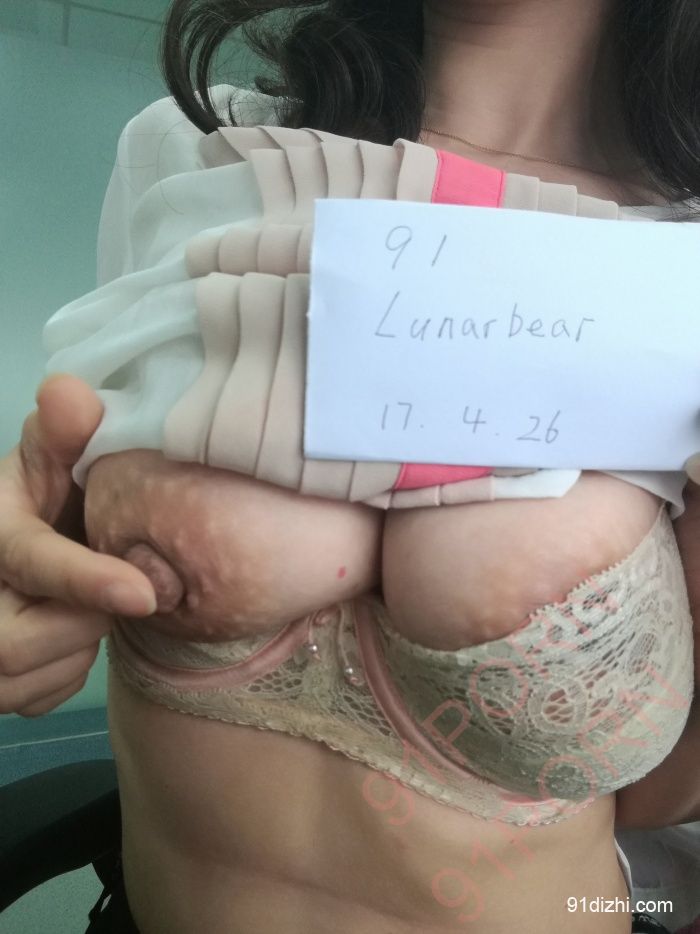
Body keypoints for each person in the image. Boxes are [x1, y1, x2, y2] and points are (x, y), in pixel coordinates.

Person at [1, 1, 700, 932]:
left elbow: (655, 797)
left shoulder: (683, 272)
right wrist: (32, 572)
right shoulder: (193, 148)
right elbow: (63, 477)